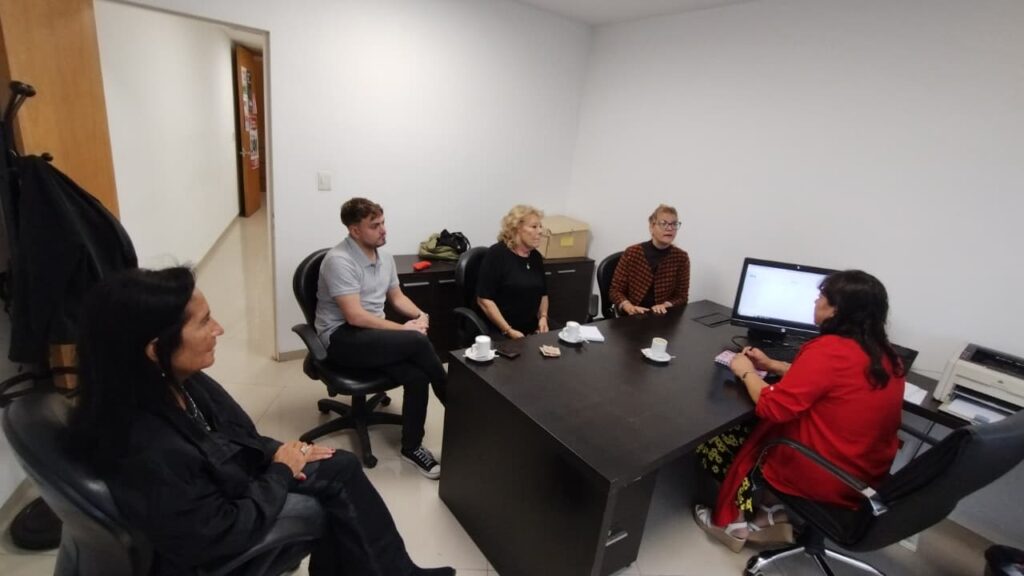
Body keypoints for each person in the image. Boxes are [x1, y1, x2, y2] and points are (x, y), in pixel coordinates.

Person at [68, 267, 455, 576]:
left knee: (339, 465)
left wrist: (283, 452)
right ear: (155, 350)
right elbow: (216, 533)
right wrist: (281, 471)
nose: (219, 329)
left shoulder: (179, 381)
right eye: (204, 322)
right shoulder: (147, 445)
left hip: (233, 481)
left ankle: (396, 570)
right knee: (331, 499)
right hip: (226, 523)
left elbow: (236, 437)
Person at [693, 270, 906, 552]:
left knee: (723, 436)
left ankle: (732, 524)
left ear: (836, 310)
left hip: (823, 472)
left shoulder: (828, 351)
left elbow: (772, 407)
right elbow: (833, 383)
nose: (815, 301)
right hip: (862, 474)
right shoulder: (886, 355)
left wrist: (746, 372)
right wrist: (773, 365)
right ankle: (771, 513)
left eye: (822, 297)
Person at [315, 197, 447, 479]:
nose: (383, 230)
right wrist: (405, 330)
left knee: (416, 376)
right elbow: (355, 317)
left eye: (383, 222)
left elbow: (397, 297)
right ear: (355, 230)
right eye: (374, 226)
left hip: (372, 335)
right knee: (416, 341)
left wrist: (420, 314)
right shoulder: (339, 261)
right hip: (341, 338)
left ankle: (411, 447)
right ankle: (453, 398)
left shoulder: (385, 257)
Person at [476, 205, 549, 339]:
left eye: (540, 226)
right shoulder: (497, 254)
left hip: (531, 326)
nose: (540, 231)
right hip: (500, 328)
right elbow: (484, 300)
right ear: (517, 229)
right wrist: (508, 330)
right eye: (534, 227)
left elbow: (543, 294)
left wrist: (543, 317)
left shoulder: (536, 257)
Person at [608, 204, 690, 316]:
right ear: (652, 227)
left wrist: (666, 305)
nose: (670, 228)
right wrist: (628, 306)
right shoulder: (632, 253)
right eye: (664, 223)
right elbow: (615, 290)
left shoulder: (681, 257)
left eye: (674, 224)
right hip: (632, 315)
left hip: (663, 316)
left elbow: (682, 296)